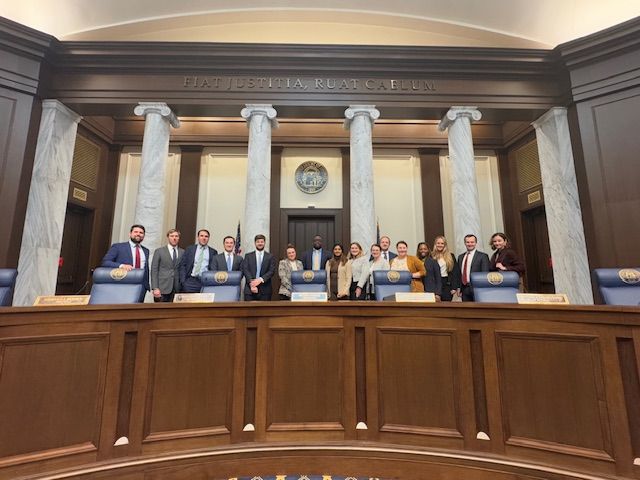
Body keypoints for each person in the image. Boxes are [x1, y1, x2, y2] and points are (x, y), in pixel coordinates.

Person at [101, 224, 150, 296]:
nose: (138, 234)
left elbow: (146, 269)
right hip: (123, 285)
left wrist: (146, 286)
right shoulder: (118, 247)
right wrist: (121, 266)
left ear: (144, 236)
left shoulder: (146, 250)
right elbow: (105, 262)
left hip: (141, 286)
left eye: (141, 233)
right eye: (136, 232)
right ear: (130, 234)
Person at [150, 228, 184, 302]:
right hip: (162, 287)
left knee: (174, 312)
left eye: (176, 236)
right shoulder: (159, 251)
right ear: (168, 237)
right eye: (172, 236)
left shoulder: (183, 252)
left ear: (179, 238)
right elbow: (154, 270)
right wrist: (155, 287)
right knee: (159, 312)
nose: (174, 238)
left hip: (177, 288)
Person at [242, 234, 277, 301]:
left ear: (264, 243)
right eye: (258, 242)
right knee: (248, 311)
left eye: (262, 242)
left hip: (265, 290)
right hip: (250, 289)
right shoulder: (248, 256)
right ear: (255, 243)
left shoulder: (270, 256)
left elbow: (271, 271)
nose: (260, 243)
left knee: (264, 311)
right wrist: (252, 284)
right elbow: (245, 270)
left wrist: (260, 280)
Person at [457, 234, 490, 302]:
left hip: (477, 288)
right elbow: (459, 273)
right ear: (465, 243)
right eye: (467, 242)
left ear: (476, 243)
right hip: (464, 288)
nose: (470, 244)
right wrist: (459, 287)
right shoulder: (460, 257)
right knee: (467, 311)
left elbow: (485, 274)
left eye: (472, 242)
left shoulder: (483, 256)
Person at [431, 235, 461, 302]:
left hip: (447, 284)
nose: (440, 245)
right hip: (435, 284)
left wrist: (454, 287)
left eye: (442, 243)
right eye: (438, 243)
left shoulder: (451, 256)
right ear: (435, 244)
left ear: (445, 245)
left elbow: (455, 273)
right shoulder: (431, 256)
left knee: (446, 305)